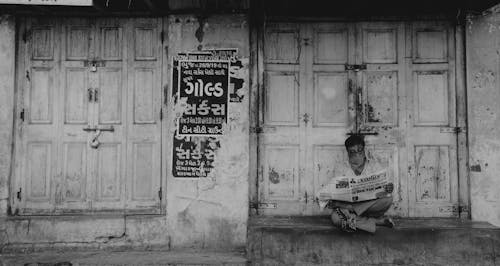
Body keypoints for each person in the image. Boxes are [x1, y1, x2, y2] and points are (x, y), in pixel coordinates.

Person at [326, 135, 395, 233]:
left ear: (364, 149)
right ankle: (376, 222)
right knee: (336, 218)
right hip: (348, 209)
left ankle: (355, 218)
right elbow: (335, 191)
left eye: (359, 150)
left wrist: (388, 188)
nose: (357, 154)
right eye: (352, 152)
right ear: (348, 152)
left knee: (388, 199)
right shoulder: (341, 168)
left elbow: (385, 186)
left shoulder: (374, 165)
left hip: (369, 208)